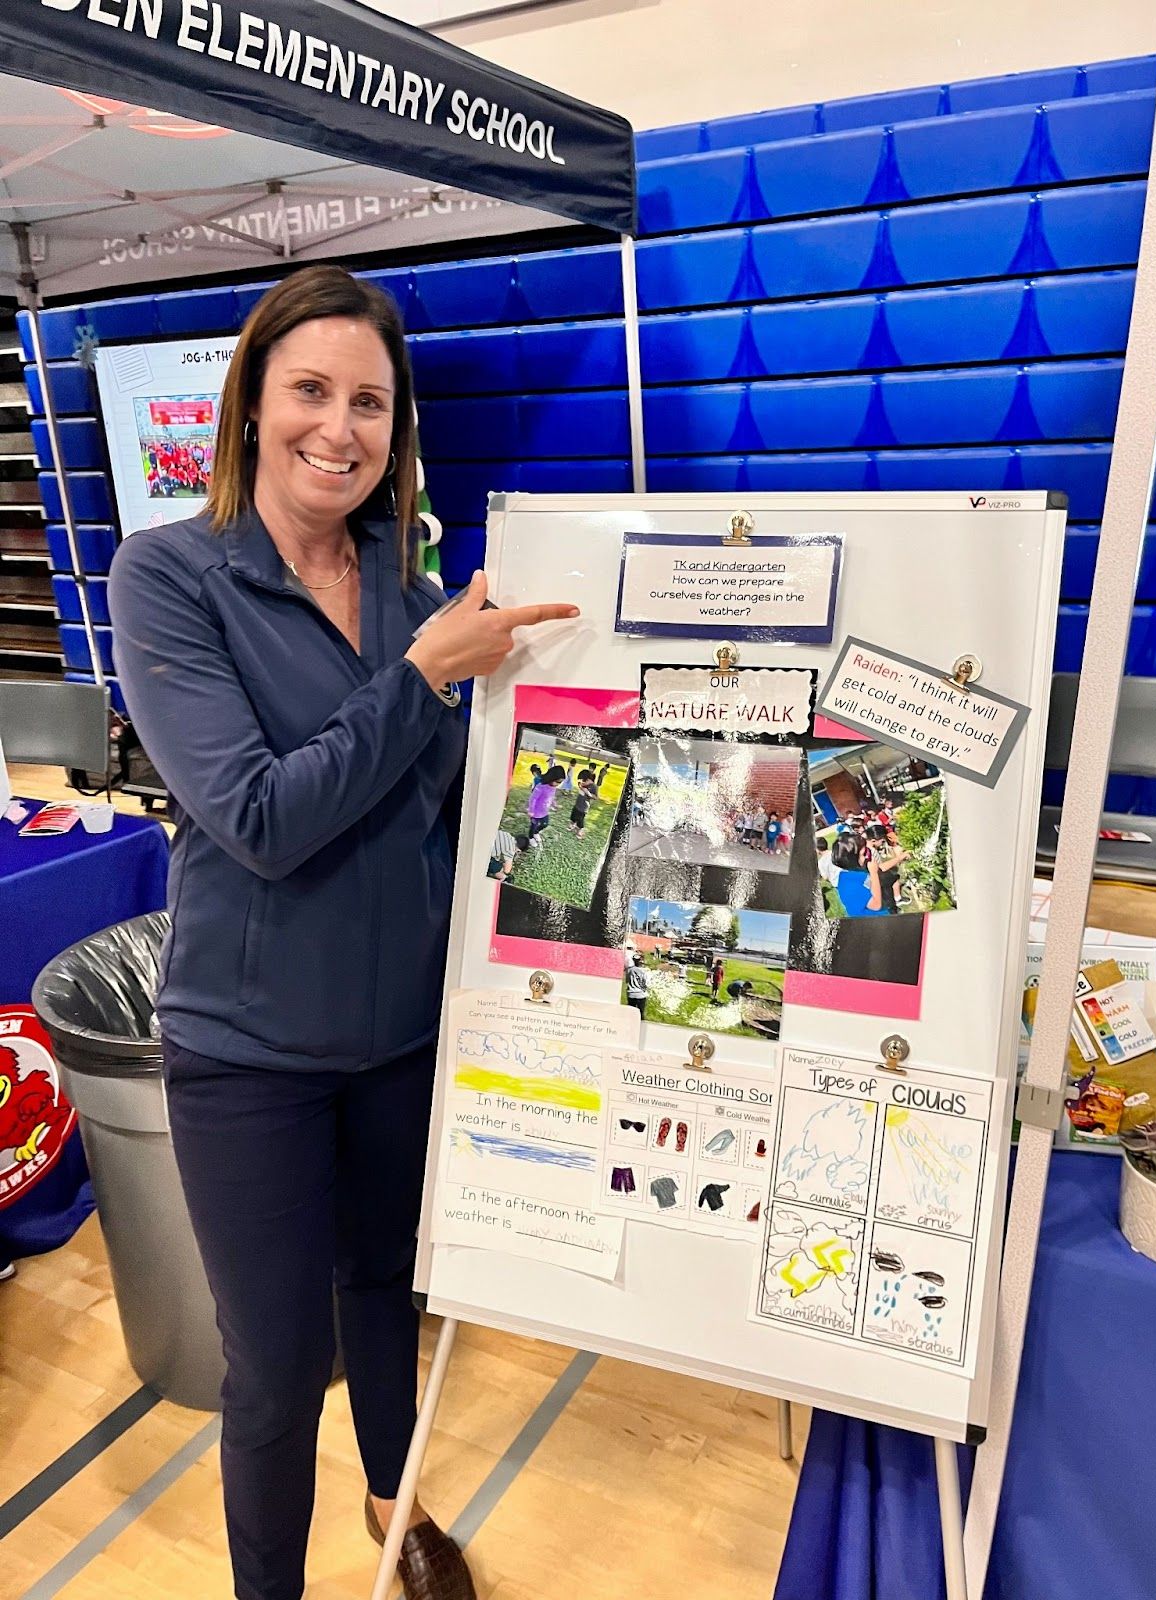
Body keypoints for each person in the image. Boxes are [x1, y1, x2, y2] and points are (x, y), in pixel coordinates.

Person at [108, 265, 577, 1600]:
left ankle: (395, 1510)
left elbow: (435, 810)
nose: (341, 425)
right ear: (253, 404)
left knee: (384, 1296)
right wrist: (425, 679)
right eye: (311, 388)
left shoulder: (405, 575)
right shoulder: (170, 578)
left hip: (402, 1035)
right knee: (267, 1369)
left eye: (370, 400)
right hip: (248, 1052)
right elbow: (259, 816)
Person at [829, 832, 888, 916]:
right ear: (852, 859)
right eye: (864, 854)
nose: (867, 856)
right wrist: (874, 874)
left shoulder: (856, 870)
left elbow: (880, 868)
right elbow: (876, 905)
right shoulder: (849, 886)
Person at [527, 764, 565, 839]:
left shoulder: (553, 787)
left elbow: (552, 797)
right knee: (533, 826)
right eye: (557, 782)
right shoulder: (541, 787)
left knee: (545, 824)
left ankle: (536, 832)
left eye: (560, 783)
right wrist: (531, 810)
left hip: (544, 812)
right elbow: (533, 798)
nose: (558, 784)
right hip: (536, 812)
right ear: (552, 778)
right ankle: (531, 838)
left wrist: (555, 804)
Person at [568, 767, 598, 836]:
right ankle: (572, 825)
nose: (582, 781)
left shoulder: (593, 786)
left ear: (588, 779)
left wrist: (588, 793)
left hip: (583, 807)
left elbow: (595, 797)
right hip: (577, 804)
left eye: (584, 780)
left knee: (580, 820)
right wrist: (580, 785)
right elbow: (581, 788)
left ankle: (579, 831)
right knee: (573, 816)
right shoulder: (583, 783)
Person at [625, 954, 649, 1018]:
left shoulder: (629, 970)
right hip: (641, 994)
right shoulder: (644, 971)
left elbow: (627, 981)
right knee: (641, 1013)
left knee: (630, 1013)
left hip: (631, 993)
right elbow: (645, 983)